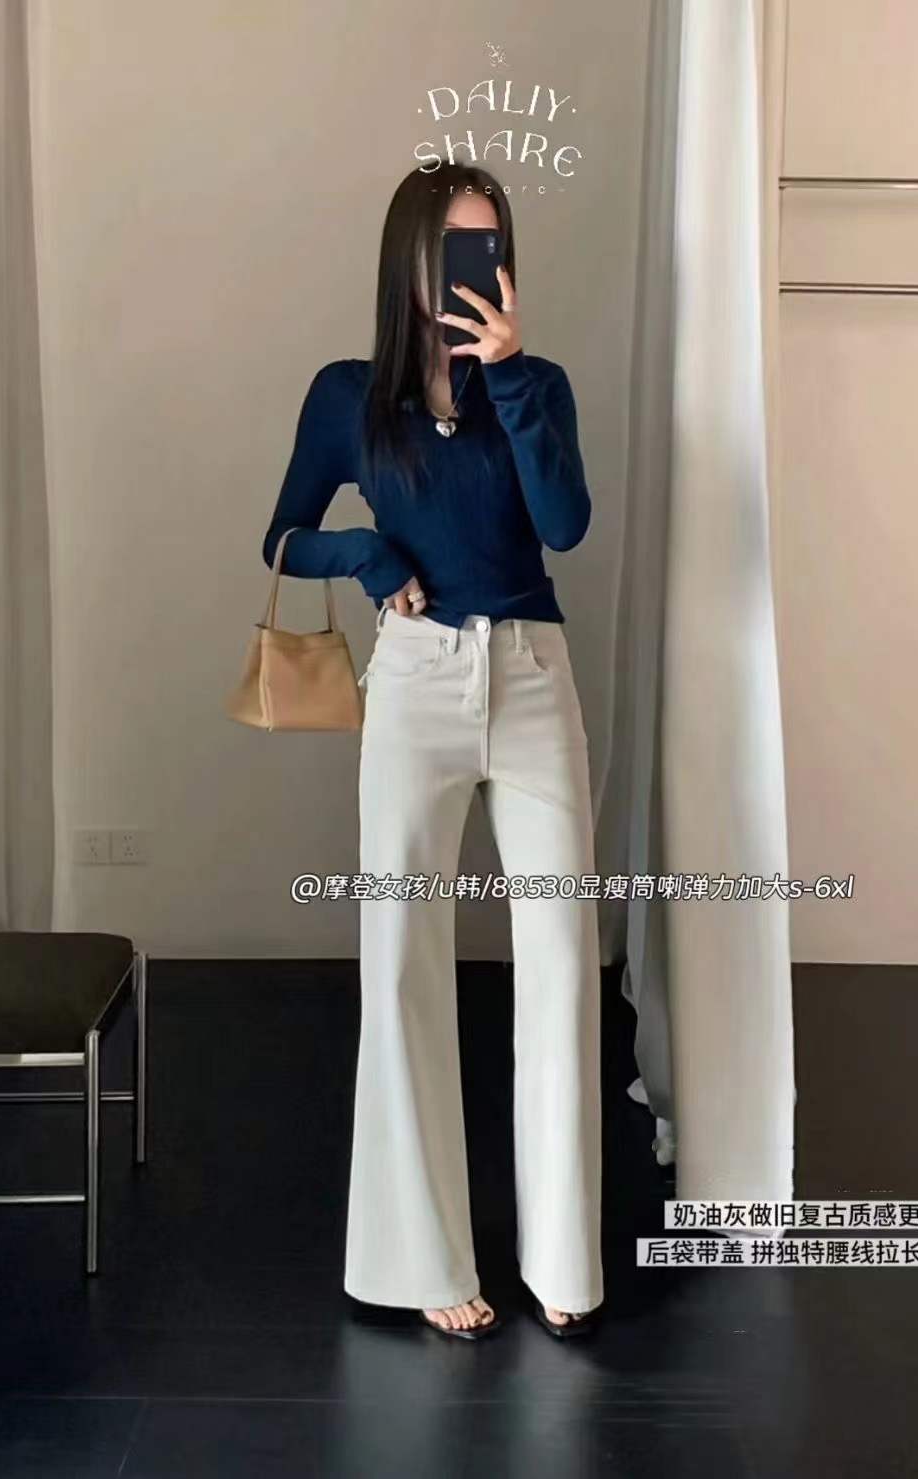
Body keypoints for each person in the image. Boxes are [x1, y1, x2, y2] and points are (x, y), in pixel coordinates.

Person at [262, 161, 603, 1341]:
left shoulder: (538, 384)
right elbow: (284, 536)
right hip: (415, 680)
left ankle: (563, 1260)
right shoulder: (347, 395)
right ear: (407, 256)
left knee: (561, 958)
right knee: (403, 956)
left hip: (534, 677)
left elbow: (565, 526)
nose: (476, 266)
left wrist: (508, 372)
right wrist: (367, 556)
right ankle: (422, 1258)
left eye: (491, 245)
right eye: (456, 246)